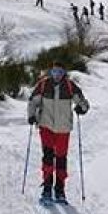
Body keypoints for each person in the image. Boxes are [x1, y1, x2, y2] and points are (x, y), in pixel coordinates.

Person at [27, 64, 90, 204]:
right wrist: (31, 116)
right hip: (46, 126)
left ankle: (60, 189)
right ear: (51, 71)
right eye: (55, 71)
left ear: (64, 72)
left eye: (60, 71)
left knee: (61, 158)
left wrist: (82, 108)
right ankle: (47, 188)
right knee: (48, 157)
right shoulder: (43, 85)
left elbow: (82, 101)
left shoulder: (69, 86)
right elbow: (33, 101)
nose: (57, 74)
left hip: (63, 129)